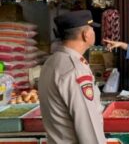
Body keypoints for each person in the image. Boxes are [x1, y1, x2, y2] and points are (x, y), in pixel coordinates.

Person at [39, 10, 106, 144]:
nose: (94, 32)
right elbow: (88, 126)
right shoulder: (75, 71)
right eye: (92, 29)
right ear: (86, 35)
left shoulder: (51, 62)